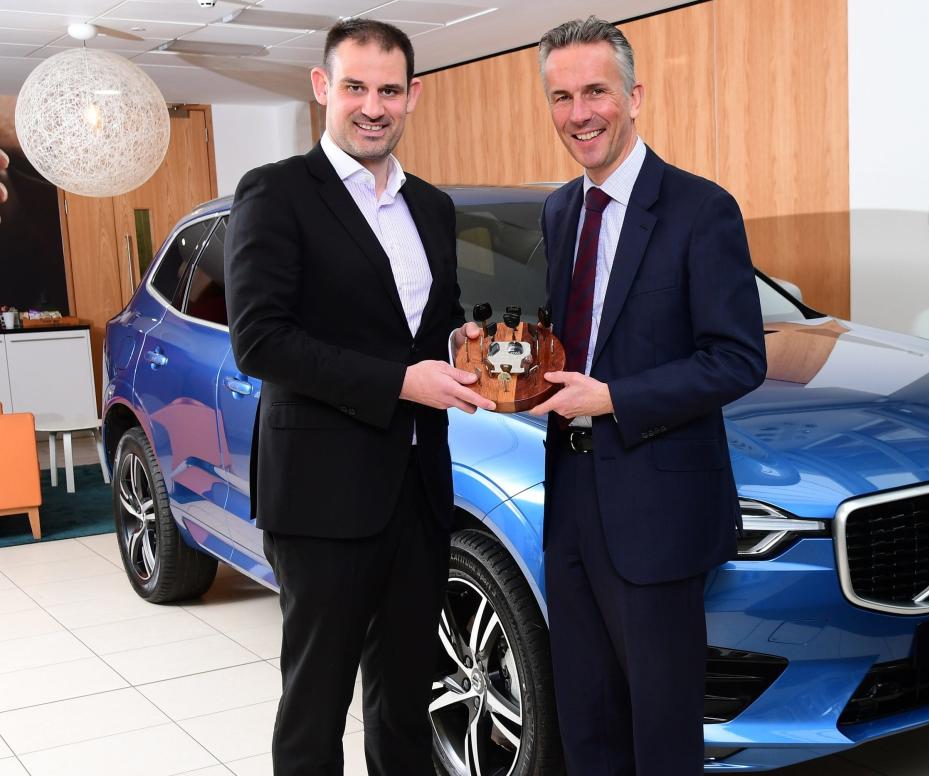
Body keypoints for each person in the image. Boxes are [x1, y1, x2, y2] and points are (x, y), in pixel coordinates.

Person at [224, 18, 493, 776]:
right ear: (322, 89)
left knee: (407, 697)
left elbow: (435, 329)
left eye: (388, 90)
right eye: (355, 87)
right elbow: (262, 340)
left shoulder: (433, 207)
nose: (372, 106)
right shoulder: (277, 193)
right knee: (314, 707)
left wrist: (490, 362)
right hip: (319, 497)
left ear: (412, 96)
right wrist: (401, 383)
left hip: (418, 490)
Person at [529, 16, 767, 775]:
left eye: (594, 91)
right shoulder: (560, 210)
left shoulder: (702, 210)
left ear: (635, 96)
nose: (579, 113)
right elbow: (573, 343)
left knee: (660, 731)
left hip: (656, 508)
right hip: (568, 500)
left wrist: (615, 398)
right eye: (561, 97)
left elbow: (736, 359)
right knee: (586, 717)